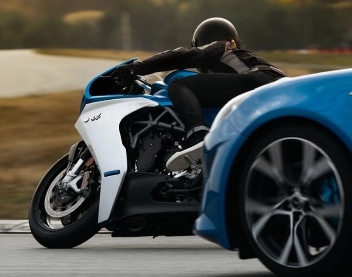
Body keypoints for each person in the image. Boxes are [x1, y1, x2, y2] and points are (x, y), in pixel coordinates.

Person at [117, 17, 286, 171]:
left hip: (258, 82)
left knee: (179, 84)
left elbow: (182, 56)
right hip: (280, 91)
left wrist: (137, 68)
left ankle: (198, 135)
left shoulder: (222, 46)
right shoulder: (242, 58)